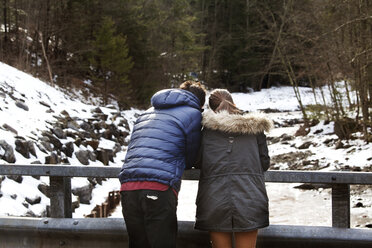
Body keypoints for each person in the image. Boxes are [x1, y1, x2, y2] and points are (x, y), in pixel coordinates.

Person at [118, 81, 206, 248]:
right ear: (200, 103)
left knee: (138, 243)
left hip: (128, 184)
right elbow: (192, 156)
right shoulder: (193, 113)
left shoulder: (147, 112)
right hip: (158, 185)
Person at [194, 89, 273, 248]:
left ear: (211, 108)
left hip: (214, 199)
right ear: (233, 103)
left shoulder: (205, 132)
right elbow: (264, 162)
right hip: (249, 198)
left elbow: (199, 161)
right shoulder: (254, 128)